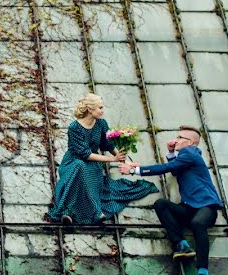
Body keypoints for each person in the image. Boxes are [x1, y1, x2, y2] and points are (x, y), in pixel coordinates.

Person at [119, 125, 222, 275]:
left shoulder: (190, 153)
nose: (176, 139)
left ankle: (203, 273)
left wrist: (134, 170)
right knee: (161, 204)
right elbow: (176, 170)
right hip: (190, 208)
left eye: (180, 137)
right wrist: (172, 153)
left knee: (197, 224)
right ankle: (182, 244)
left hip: (206, 207)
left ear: (190, 143)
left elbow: (167, 168)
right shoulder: (186, 156)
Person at [47, 93, 158, 225]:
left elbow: (108, 144)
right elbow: (85, 154)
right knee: (79, 167)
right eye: (100, 108)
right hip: (73, 161)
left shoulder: (101, 124)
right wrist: (113, 159)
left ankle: (89, 213)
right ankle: (70, 212)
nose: (102, 111)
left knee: (89, 173)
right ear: (90, 109)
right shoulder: (74, 128)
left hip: (93, 163)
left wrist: (123, 160)